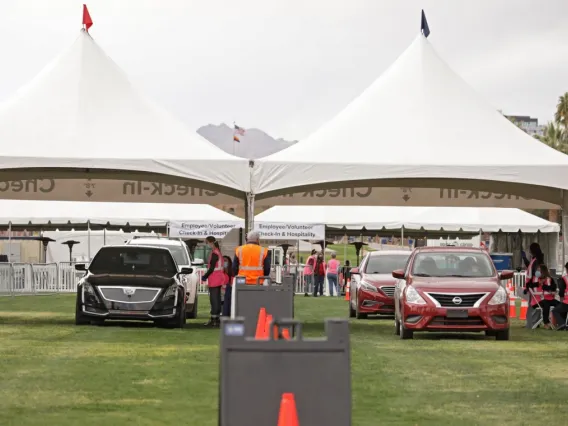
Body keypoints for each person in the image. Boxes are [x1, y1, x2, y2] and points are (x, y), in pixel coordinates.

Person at [201, 236, 224, 327]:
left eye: (207, 243)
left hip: (214, 279)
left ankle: (214, 319)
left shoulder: (215, 253)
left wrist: (205, 276)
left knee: (214, 300)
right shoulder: (218, 252)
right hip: (218, 279)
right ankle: (216, 319)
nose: (207, 245)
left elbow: (211, 268)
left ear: (211, 243)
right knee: (217, 300)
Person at [522, 243, 545, 329]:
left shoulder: (537, 261)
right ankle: (533, 323)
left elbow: (535, 274)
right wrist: (524, 259)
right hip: (533, 286)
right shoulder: (535, 259)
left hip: (535, 287)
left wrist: (529, 285)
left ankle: (532, 323)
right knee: (534, 305)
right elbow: (530, 269)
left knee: (534, 305)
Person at [538, 264, 557, 329]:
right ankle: (546, 322)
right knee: (546, 306)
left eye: (539, 270)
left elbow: (554, 287)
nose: (538, 271)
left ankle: (559, 322)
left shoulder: (550, 279)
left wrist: (549, 288)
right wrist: (549, 289)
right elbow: (543, 287)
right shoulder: (539, 279)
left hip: (551, 298)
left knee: (560, 305)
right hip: (542, 299)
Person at [552, 262, 568, 328]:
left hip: (566, 302)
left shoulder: (564, 278)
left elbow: (561, 291)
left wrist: (561, 299)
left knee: (555, 311)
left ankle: (562, 324)